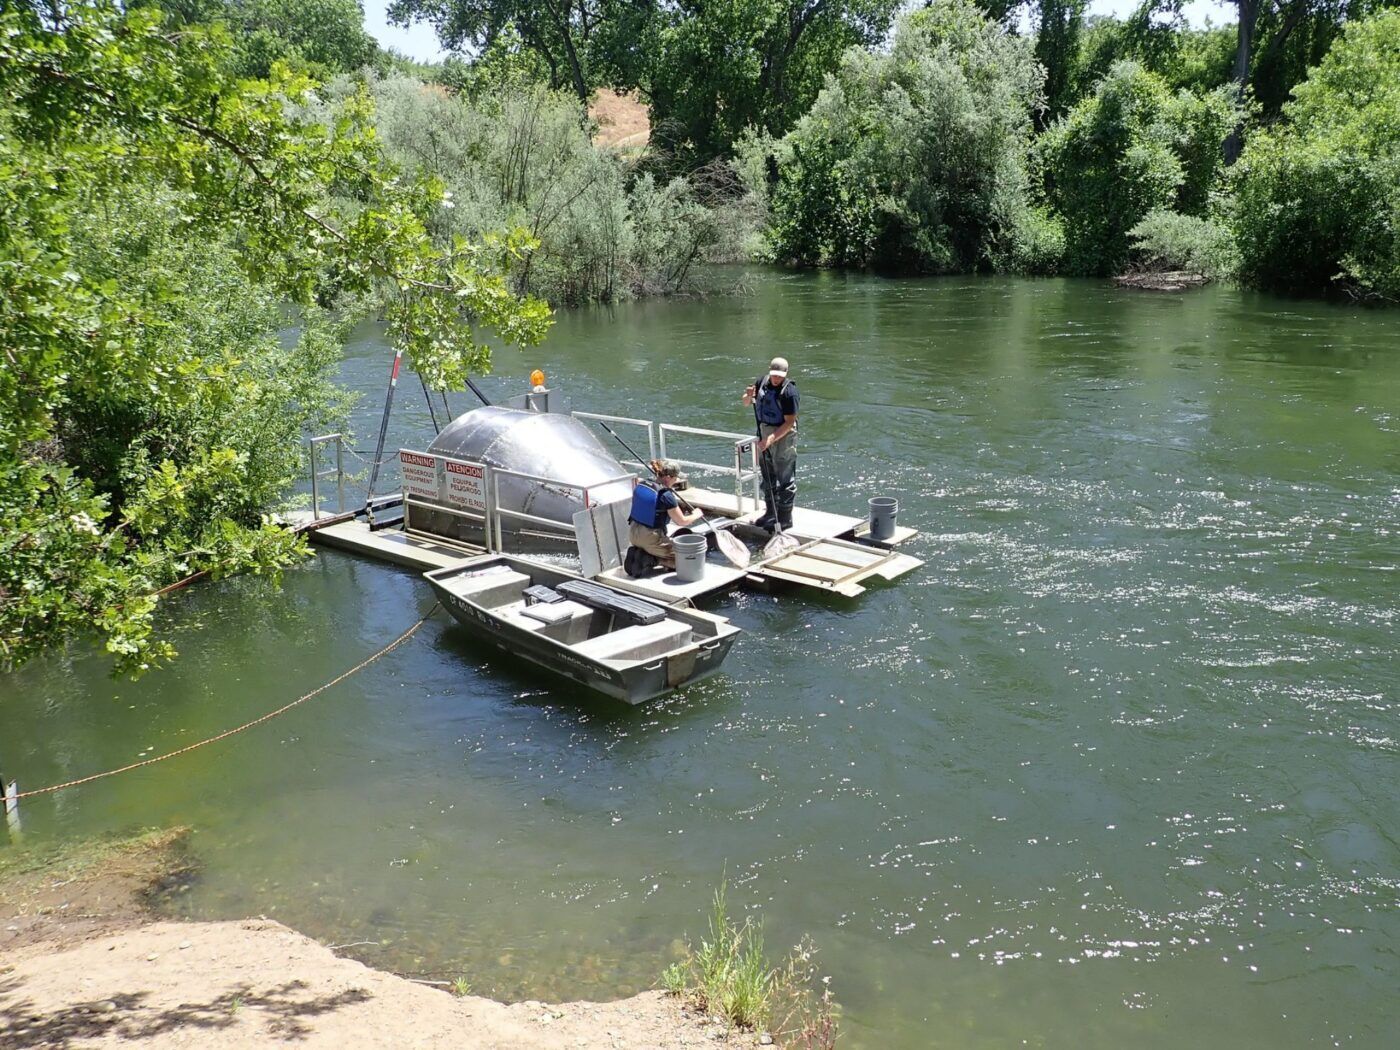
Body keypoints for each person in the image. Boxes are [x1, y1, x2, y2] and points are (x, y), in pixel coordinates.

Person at [742, 356, 799, 531]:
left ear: (786, 374)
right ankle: (770, 513)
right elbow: (745, 402)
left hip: (783, 434)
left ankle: (785, 518)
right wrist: (748, 395)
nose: (776, 379)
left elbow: (789, 422)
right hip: (764, 430)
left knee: (785, 477)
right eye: (774, 375)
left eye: (780, 376)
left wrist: (771, 439)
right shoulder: (762, 382)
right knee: (767, 474)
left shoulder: (790, 393)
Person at [626, 459, 703, 571]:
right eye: (675, 478)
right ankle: (650, 559)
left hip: (633, 534)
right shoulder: (666, 496)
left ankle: (641, 552)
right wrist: (696, 514)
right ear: (668, 478)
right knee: (687, 558)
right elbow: (681, 521)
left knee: (665, 546)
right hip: (650, 538)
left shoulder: (642, 484)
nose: (676, 480)